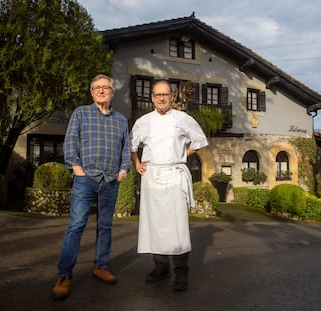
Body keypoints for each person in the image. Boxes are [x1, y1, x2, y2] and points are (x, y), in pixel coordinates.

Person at [52, 74, 131, 300]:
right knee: (76, 226)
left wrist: (123, 169)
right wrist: (77, 168)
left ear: (112, 92)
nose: (101, 91)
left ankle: (101, 266)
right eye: (96, 88)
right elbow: (70, 142)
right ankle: (64, 275)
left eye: (105, 87)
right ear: (91, 92)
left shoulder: (121, 120)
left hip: (110, 181)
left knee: (105, 226)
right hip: (85, 179)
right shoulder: (81, 113)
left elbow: (127, 147)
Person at [130, 80, 208, 291]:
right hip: (152, 175)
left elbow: (199, 141)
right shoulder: (143, 121)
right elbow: (132, 145)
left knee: (178, 225)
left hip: (174, 175)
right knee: (155, 225)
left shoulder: (183, 119)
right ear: (152, 98)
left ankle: (181, 272)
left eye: (165, 94)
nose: (162, 98)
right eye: (157, 95)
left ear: (171, 97)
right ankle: (161, 268)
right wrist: (137, 163)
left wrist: (182, 154)